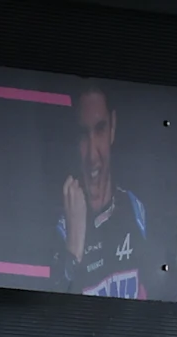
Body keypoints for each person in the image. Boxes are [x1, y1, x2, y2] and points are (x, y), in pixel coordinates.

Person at [55, 86, 154, 299]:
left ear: (113, 128)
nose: (92, 155)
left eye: (100, 130)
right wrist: (73, 248)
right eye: (83, 135)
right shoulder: (56, 228)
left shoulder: (137, 210)